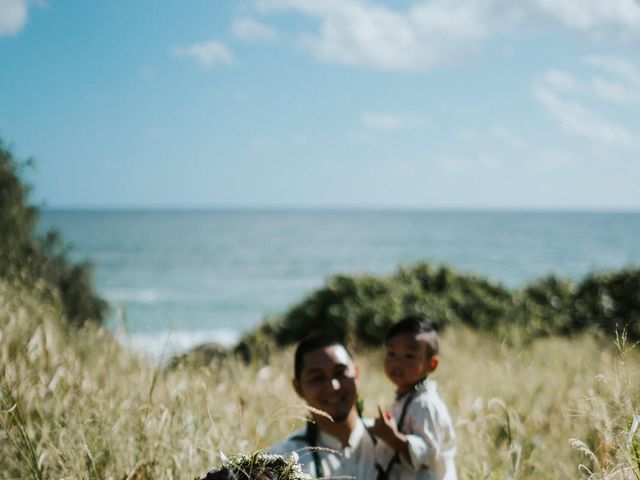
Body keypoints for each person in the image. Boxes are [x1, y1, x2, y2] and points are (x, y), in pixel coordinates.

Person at [269, 335, 378, 479]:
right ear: (298, 388)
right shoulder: (283, 460)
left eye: (340, 372)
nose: (333, 386)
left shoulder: (392, 442)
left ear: (356, 374)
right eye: (317, 378)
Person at [370, 316, 457, 480]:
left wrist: (392, 438)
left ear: (431, 365)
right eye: (391, 353)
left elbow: (428, 452)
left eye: (409, 356)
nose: (397, 362)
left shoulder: (425, 404)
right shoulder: (406, 398)